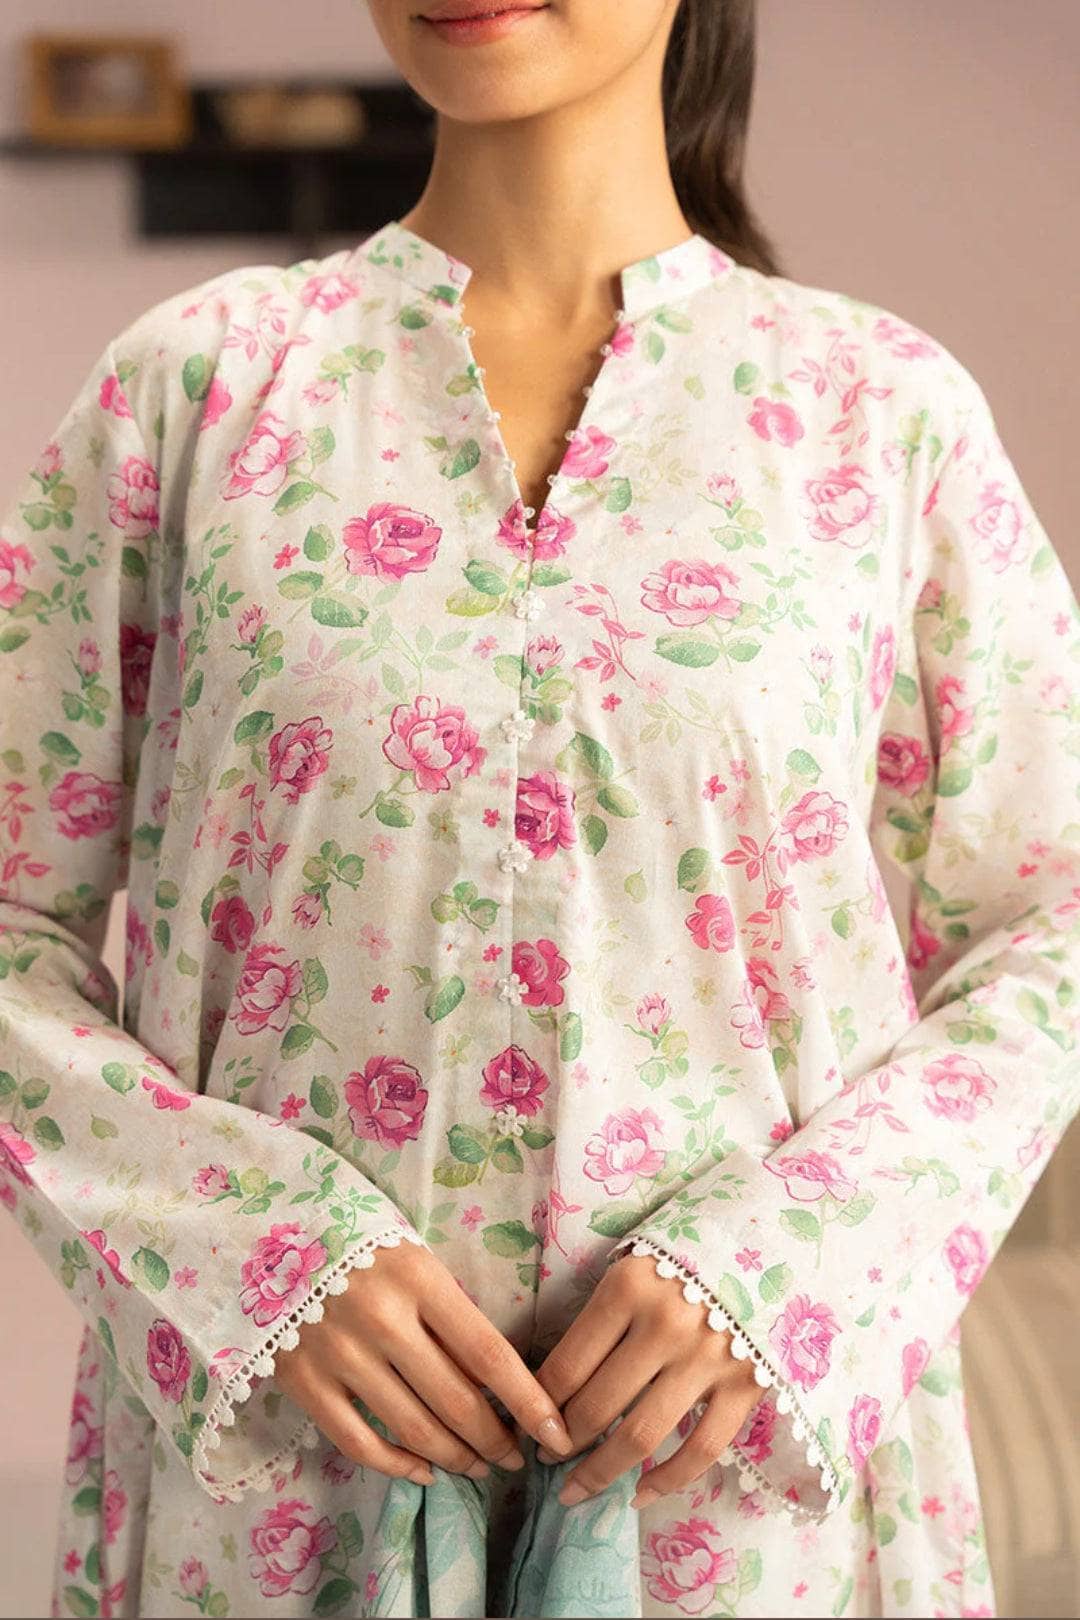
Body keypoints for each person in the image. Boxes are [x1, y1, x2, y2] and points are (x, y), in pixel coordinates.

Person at [1, 0, 1077, 1615]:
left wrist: (776, 1274)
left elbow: (1050, 923)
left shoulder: (880, 416)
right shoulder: (199, 394)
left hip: (736, 1510)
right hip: (279, 1505)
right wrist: (246, 1253)